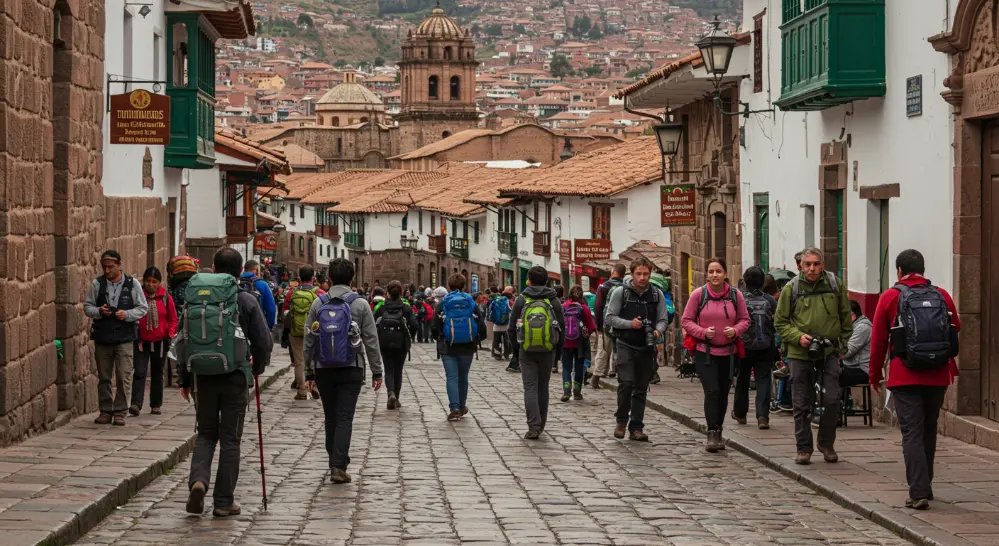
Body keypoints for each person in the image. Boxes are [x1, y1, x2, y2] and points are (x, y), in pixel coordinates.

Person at [180, 247, 272, 517]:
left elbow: (183, 340)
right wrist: (259, 367)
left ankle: (198, 481)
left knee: (206, 434)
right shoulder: (245, 300)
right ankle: (223, 501)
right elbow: (264, 341)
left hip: (203, 377)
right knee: (230, 439)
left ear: (214, 267)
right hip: (235, 376)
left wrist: (185, 378)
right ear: (239, 269)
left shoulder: (196, 299)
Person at [870, 249, 960, 510]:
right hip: (937, 373)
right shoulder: (941, 295)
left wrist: (875, 374)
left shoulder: (890, 297)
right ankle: (926, 485)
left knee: (911, 431)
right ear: (923, 269)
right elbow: (957, 327)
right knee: (929, 428)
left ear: (899, 271)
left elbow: (878, 342)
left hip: (904, 373)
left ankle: (918, 491)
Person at [303, 258, 384, 484]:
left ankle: (335, 459)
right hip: (351, 367)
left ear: (329, 278)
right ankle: (338, 464)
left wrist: (308, 372)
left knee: (330, 416)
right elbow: (371, 341)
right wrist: (377, 372)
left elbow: (309, 339)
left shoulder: (318, 304)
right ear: (352, 278)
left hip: (324, 369)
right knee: (345, 416)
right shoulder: (360, 304)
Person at [774, 247, 853, 465]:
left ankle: (826, 443)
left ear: (822, 264)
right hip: (800, 353)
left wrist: (843, 344)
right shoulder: (792, 289)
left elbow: (846, 317)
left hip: (829, 351)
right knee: (801, 402)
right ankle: (803, 448)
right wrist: (797, 337)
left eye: (816, 264)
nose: (812, 268)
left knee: (832, 399)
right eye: (807, 264)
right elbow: (780, 322)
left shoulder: (835, 285)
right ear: (801, 266)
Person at [680, 258, 749, 450]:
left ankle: (718, 430)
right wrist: (703, 333)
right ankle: (711, 432)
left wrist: (735, 331)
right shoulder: (698, 295)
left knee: (724, 392)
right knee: (712, 391)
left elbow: (745, 320)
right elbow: (686, 320)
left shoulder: (736, 296)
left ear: (725, 273)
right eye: (711, 272)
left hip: (729, 353)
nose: (714, 275)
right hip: (705, 352)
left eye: (718, 271)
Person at [606, 258, 669, 442]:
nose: (642, 278)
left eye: (646, 274)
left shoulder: (656, 294)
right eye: (639, 274)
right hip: (625, 343)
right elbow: (610, 318)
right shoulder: (621, 293)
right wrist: (629, 324)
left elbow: (663, 319)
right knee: (626, 383)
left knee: (641, 387)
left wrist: (658, 331)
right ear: (631, 274)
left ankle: (636, 427)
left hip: (646, 346)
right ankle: (621, 421)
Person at [84, 250, 149, 426]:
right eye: (104, 267)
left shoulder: (132, 284)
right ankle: (105, 410)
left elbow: (143, 308)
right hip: (103, 337)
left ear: (119, 265)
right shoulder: (97, 284)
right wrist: (99, 311)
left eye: (111, 267)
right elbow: (88, 307)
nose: (107, 271)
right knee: (104, 376)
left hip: (124, 337)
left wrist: (126, 314)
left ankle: (120, 411)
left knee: (124, 376)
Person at [511, 266, 564, 439]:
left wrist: (517, 348)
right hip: (548, 350)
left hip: (526, 350)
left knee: (530, 387)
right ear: (547, 280)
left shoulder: (521, 300)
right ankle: (541, 424)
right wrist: (558, 354)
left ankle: (533, 426)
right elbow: (560, 329)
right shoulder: (553, 301)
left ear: (529, 280)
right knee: (543, 387)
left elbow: (512, 328)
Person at [433, 274, 487, 421]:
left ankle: (454, 407)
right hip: (467, 346)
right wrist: (476, 339)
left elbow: (434, 326)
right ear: (464, 286)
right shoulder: (470, 302)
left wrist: (440, 336)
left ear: (449, 287)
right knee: (463, 377)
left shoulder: (444, 303)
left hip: (448, 345)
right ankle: (462, 406)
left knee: (451, 377)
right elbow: (481, 324)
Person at [732, 266, 777, 430]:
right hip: (766, 346)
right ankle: (763, 416)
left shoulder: (738, 300)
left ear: (744, 281)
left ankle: (740, 413)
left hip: (743, 346)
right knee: (763, 379)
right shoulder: (770, 300)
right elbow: (777, 322)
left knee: (742, 379)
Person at [131, 267, 177, 416]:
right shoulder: (138, 296)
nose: (151, 284)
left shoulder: (165, 297)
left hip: (160, 342)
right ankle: (136, 403)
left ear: (159, 282)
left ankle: (155, 404)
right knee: (139, 371)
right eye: (148, 281)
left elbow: (173, 319)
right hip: (141, 341)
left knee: (157, 374)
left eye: (154, 282)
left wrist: (169, 334)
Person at [374, 280, 418, 409]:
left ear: (387, 292)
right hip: (401, 344)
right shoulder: (406, 307)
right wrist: (410, 337)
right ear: (401, 292)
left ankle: (390, 393)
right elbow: (414, 325)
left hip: (385, 343)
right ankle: (396, 398)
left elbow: (373, 323)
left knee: (388, 369)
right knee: (398, 371)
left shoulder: (380, 307)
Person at [283, 266, 321, 400]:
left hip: (296, 331)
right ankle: (315, 386)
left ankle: (302, 391)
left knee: (299, 361)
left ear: (299, 278)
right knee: (316, 359)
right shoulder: (319, 293)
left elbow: (285, 313)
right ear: (313, 278)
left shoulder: (291, 293)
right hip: (315, 331)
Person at [590, 264, 627, 387]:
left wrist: (598, 324)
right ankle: (613, 371)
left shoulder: (603, 287)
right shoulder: (626, 287)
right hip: (623, 324)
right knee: (620, 350)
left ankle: (596, 377)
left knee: (603, 350)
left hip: (607, 324)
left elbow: (598, 306)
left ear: (613, 272)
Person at [561, 285, 597, 402]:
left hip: (566, 342)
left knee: (566, 367)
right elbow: (591, 327)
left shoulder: (563, 307)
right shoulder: (584, 309)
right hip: (580, 343)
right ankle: (577, 392)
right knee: (579, 367)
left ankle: (566, 391)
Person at [841, 300, 872, 387]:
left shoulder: (862, 328)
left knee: (832, 374)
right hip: (850, 367)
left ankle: (841, 400)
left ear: (853, 315)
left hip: (862, 370)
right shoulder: (851, 326)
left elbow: (847, 352)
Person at [240, 260, 277, 330]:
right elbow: (271, 309)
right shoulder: (262, 284)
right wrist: (268, 328)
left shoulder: (237, 282)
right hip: (257, 326)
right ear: (255, 270)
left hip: (239, 326)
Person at [487, 287, 514, 360]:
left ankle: (497, 354)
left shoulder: (495, 300)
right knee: (506, 340)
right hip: (506, 325)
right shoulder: (509, 302)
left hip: (496, 325)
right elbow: (512, 312)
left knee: (496, 340)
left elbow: (489, 310)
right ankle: (507, 354)